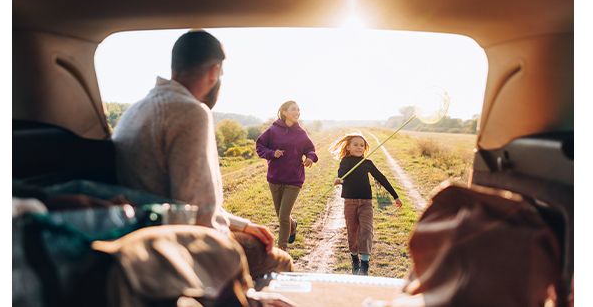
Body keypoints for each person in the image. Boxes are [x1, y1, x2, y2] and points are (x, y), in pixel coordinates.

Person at [112, 30, 293, 279]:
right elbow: (200, 216)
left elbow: (182, 202)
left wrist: (243, 225)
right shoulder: (191, 112)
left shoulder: (136, 109)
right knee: (281, 260)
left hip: (141, 235)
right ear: (213, 72)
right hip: (175, 249)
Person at [330, 133, 402, 275]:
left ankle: (364, 264)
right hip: (350, 202)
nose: (359, 147)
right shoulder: (345, 162)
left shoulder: (367, 163)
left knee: (367, 230)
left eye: (361, 145)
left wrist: (395, 196)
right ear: (348, 147)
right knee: (353, 231)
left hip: (366, 202)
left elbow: (381, 178)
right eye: (355, 144)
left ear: (365, 148)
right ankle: (354, 259)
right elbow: (342, 172)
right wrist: (339, 179)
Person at [256, 100, 318, 251]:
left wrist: (310, 157)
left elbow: (311, 149)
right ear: (284, 112)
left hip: (294, 180)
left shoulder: (301, 133)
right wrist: (272, 153)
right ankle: (293, 225)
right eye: (293, 110)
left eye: (298, 110)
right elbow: (260, 146)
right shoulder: (273, 130)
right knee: (282, 216)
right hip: (275, 179)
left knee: (283, 216)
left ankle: (281, 249)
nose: (297, 112)